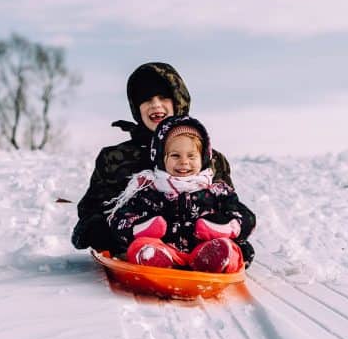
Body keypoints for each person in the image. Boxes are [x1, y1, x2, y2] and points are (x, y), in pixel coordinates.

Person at [71, 62, 234, 252]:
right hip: (136, 248)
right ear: (137, 108)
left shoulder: (212, 160)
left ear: (178, 101)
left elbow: (229, 204)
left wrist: (229, 229)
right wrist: (97, 230)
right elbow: (92, 209)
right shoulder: (114, 158)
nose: (155, 105)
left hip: (197, 246)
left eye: (163, 97)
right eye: (146, 100)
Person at [107, 115, 255, 273]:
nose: (184, 162)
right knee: (140, 245)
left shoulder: (217, 191)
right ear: (161, 158)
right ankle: (155, 259)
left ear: (204, 158)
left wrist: (227, 227)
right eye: (175, 155)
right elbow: (119, 220)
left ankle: (214, 260)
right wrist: (142, 227)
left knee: (228, 247)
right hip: (166, 249)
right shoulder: (149, 190)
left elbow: (246, 217)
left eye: (191, 156)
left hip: (204, 249)